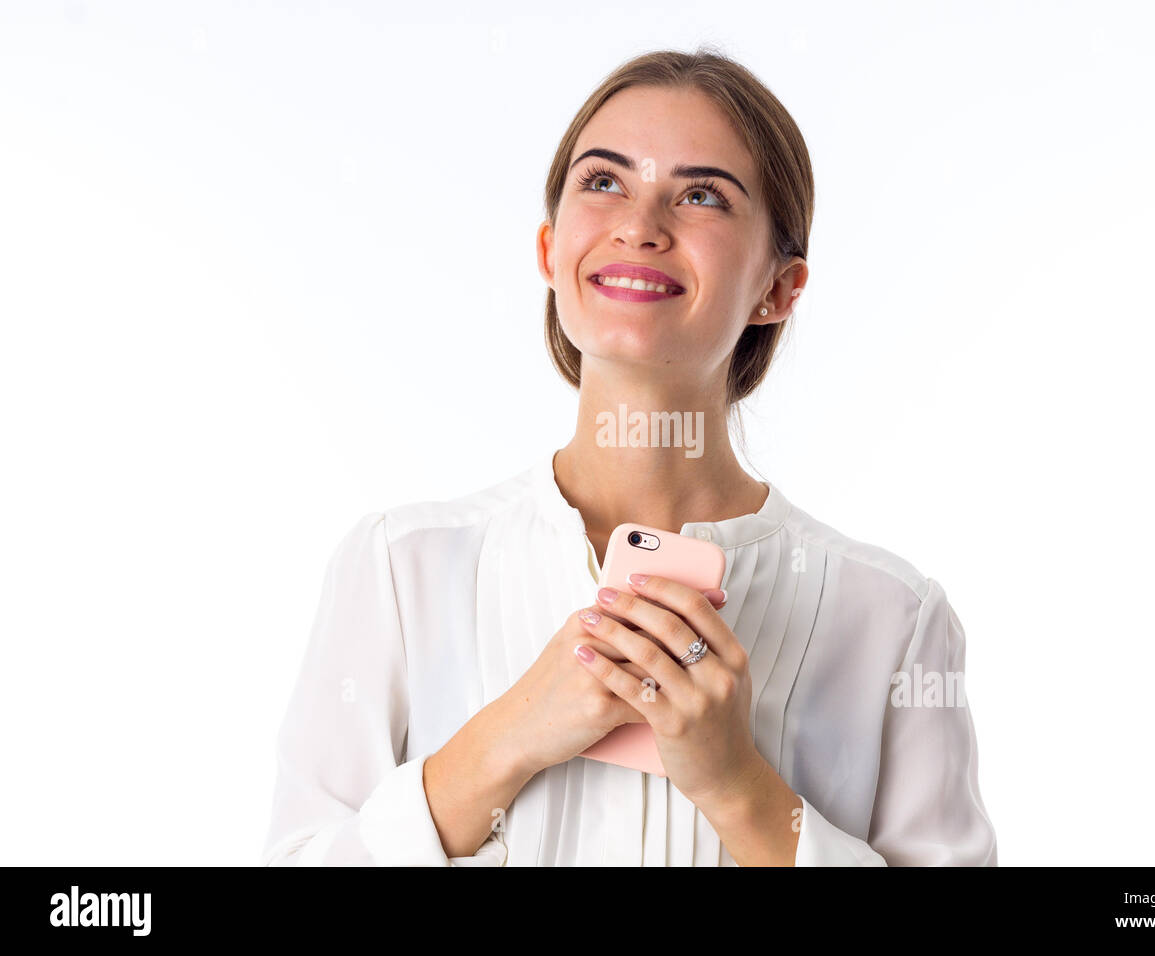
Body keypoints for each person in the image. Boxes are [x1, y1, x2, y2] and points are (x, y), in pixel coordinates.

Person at [260, 48, 997, 866]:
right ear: (550, 250)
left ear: (779, 289)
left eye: (702, 195)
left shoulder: (895, 622)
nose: (640, 226)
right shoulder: (400, 571)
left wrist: (737, 785)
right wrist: (507, 738)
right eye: (604, 182)